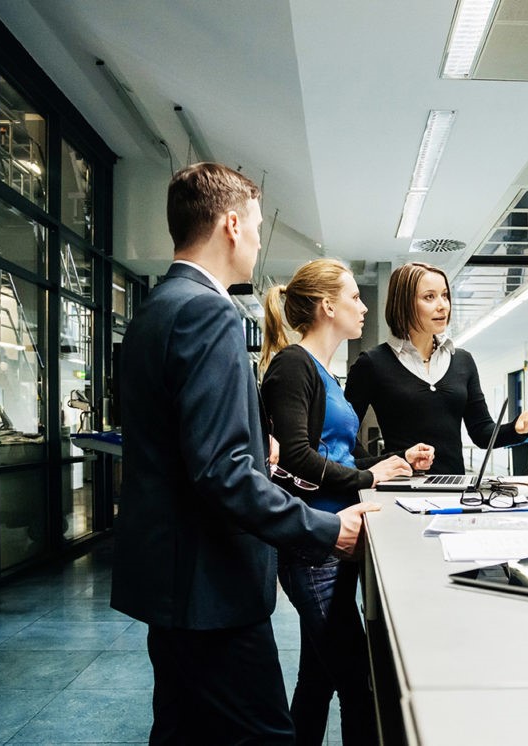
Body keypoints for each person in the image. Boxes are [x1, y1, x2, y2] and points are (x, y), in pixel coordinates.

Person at [110, 163, 379, 744]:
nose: (258, 241)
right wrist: (325, 528)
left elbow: (180, 445)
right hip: (211, 587)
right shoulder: (210, 312)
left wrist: (258, 442)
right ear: (231, 224)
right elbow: (220, 472)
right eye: (256, 226)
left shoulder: (157, 309)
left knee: (181, 731)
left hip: (170, 581)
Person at [260, 258, 433, 746]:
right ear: (327, 305)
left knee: (318, 680)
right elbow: (294, 457)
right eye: (355, 297)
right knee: (360, 684)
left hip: (338, 536)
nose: (363, 307)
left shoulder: (323, 371)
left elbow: (342, 452)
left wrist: (396, 459)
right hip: (313, 547)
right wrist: (366, 473)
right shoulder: (293, 365)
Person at [344, 261, 528, 474]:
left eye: (445, 295)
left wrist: (517, 428)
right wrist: (376, 469)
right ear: (403, 303)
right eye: (429, 297)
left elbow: (482, 433)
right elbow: (343, 435)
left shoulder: (462, 360)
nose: (443, 305)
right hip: (401, 489)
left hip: (454, 488)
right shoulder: (372, 363)